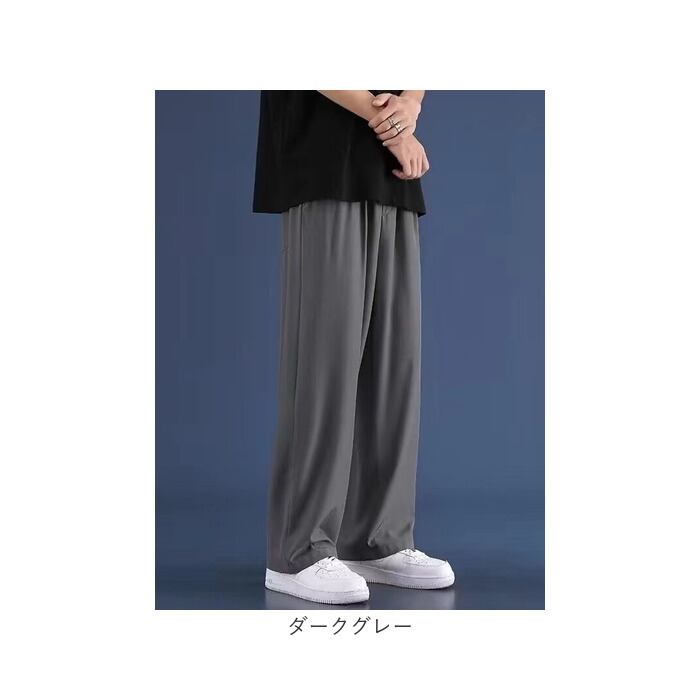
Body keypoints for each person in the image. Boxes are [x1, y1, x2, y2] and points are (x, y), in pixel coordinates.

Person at [253, 90, 455, 604]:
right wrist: (392, 124)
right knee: (324, 361)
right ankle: (298, 552)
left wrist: (411, 103)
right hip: (324, 154)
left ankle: (375, 539)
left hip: (389, 168)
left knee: (393, 365)